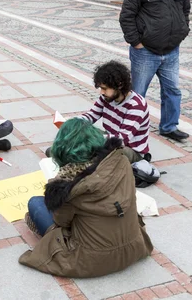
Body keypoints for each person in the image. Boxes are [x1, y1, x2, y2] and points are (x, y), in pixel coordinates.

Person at [19, 118, 153, 277]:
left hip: (91, 258)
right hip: (133, 245)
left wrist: (56, 185)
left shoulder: (71, 186)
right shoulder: (121, 160)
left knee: (35, 203)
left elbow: (61, 221)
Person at [119, 0, 190, 142]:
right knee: (137, 94)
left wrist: (183, 30)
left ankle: (169, 127)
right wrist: (137, 43)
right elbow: (126, 17)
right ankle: (129, 131)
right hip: (146, 52)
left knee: (172, 90)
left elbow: (185, 10)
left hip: (171, 50)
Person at [78, 61, 150, 164]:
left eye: (104, 88)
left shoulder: (136, 105)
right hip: (112, 139)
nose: (101, 92)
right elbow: (92, 115)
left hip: (130, 150)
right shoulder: (107, 97)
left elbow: (122, 139)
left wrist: (92, 140)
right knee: (81, 137)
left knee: (93, 153)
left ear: (119, 85)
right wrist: (74, 123)